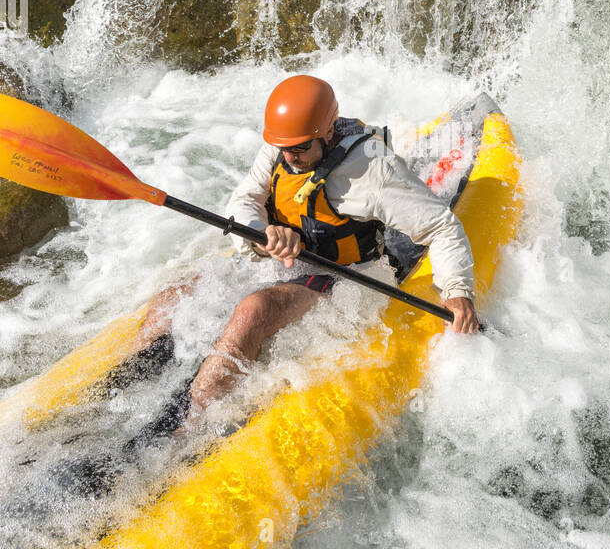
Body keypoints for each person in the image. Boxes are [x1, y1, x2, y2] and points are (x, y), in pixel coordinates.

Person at [138, 75, 479, 427]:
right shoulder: (285, 142)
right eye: (283, 146)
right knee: (173, 291)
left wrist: (457, 292)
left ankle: (180, 428)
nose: (289, 155)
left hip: (345, 277)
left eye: (299, 148)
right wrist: (261, 234)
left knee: (253, 311)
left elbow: (442, 226)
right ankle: (129, 375)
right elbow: (244, 200)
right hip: (283, 263)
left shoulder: (372, 171)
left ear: (327, 133)